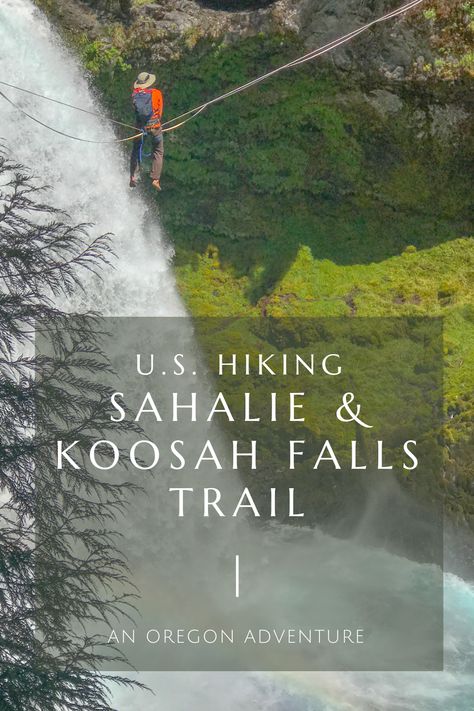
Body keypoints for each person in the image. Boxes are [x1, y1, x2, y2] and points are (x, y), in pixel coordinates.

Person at [129, 71, 164, 191]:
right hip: (155, 127)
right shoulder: (156, 93)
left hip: (139, 128)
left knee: (135, 149)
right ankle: (155, 179)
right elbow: (159, 113)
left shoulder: (134, 94)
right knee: (158, 151)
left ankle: (133, 176)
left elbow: (136, 112)